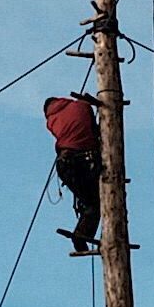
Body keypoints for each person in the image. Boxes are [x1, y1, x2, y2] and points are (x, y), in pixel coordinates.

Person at [42, 92, 105, 254]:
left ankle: (82, 233)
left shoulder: (50, 121)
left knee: (90, 202)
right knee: (96, 202)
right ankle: (82, 234)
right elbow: (93, 129)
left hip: (65, 163)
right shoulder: (81, 106)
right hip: (86, 160)